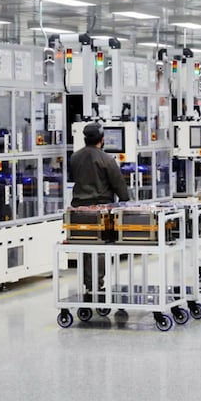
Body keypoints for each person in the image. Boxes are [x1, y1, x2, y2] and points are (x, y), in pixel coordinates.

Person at [69, 122, 130, 296]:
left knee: (85, 247)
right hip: (101, 211)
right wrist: (125, 203)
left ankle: (89, 285)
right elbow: (119, 186)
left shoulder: (75, 157)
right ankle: (98, 285)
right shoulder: (107, 159)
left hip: (79, 211)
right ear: (102, 140)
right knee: (101, 247)